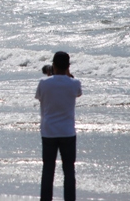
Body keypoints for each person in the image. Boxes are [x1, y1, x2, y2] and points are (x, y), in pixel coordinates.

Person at [35, 51, 82, 201]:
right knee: (69, 170)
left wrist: (51, 77)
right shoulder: (75, 83)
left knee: (48, 170)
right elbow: (77, 93)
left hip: (49, 132)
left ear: (53, 65)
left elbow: (40, 96)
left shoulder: (44, 83)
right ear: (68, 66)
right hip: (67, 132)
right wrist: (68, 75)